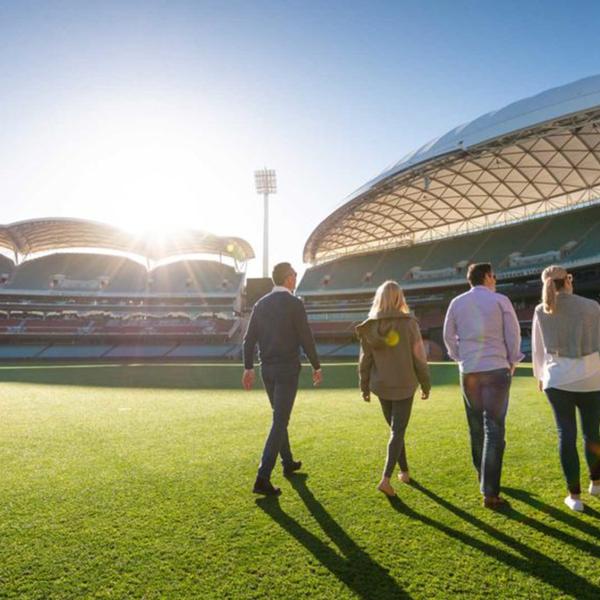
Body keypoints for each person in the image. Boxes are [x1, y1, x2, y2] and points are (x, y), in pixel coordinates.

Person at [443, 263, 523, 509]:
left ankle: (483, 475)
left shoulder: (456, 303)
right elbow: (513, 334)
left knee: (476, 426)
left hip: (469, 371)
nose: (495, 280)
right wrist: (513, 360)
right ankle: (490, 492)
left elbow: (447, 336)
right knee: (495, 429)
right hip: (496, 368)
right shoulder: (500, 300)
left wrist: (460, 357)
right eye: (494, 275)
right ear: (487, 277)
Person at [242, 262, 322, 496]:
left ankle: (287, 462)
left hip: (267, 370)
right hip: (287, 370)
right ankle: (262, 477)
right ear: (288, 278)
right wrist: (316, 365)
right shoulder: (295, 304)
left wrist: (248, 368)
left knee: (280, 416)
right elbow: (306, 338)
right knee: (280, 421)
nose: (296, 278)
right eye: (295, 275)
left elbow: (248, 340)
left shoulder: (260, 304)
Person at [532, 265, 600, 512]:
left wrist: (540, 376)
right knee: (593, 433)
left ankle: (575, 496)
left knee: (566, 436)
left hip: (557, 380)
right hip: (592, 378)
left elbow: (538, 349)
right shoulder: (592, 306)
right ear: (568, 280)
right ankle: (597, 483)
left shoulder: (542, 309)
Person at [356, 280, 431, 497]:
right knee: (397, 431)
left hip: (381, 385)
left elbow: (365, 361)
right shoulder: (409, 324)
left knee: (395, 431)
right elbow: (419, 358)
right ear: (399, 298)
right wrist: (425, 383)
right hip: (404, 384)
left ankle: (405, 472)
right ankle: (386, 479)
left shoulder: (370, 326)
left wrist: (364, 387)